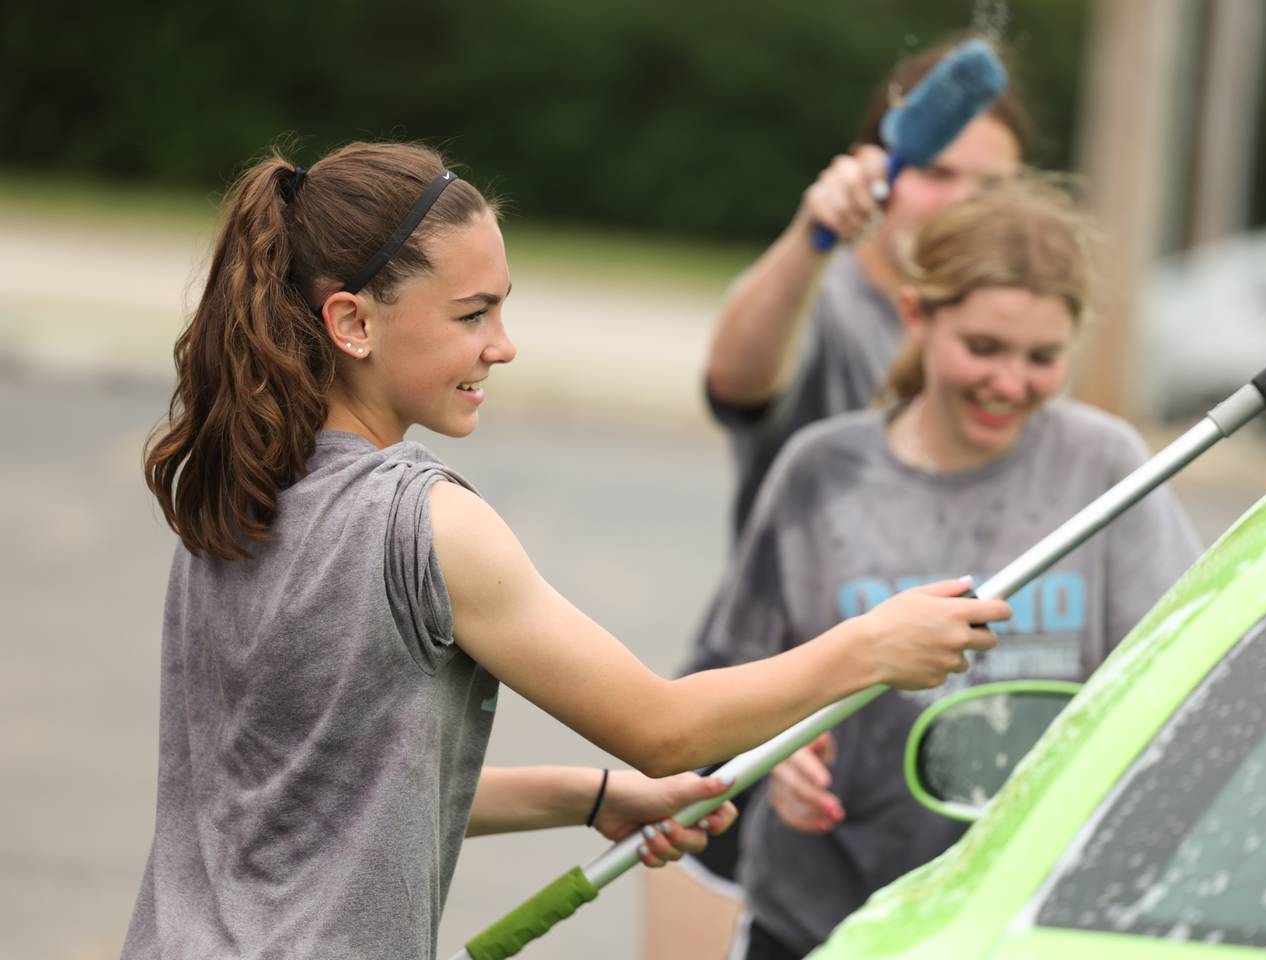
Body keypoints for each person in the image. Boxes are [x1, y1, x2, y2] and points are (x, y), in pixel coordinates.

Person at [122, 141, 1011, 960]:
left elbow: (326, 790)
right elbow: (665, 731)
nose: (502, 346)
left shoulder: (235, 487)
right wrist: (872, 648)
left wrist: (590, 799)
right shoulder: (425, 521)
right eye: (473, 314)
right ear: (351, 322)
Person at [690, 173, 1204, 959]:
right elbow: (728, 686)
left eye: (1042, 357)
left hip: (1025, 924)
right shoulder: (821, 470)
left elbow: (1182, 678)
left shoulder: (1104, 466)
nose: (1009, 382)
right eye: (983, 347)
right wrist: (778, 756)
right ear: (916, 317)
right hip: (821, 924)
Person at [703, 36, 1030, 539]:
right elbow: (734, 382)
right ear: (870, 166)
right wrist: (808, 238)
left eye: (992, 186)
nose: (962, 203)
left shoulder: (1024, 332)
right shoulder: (819, 296)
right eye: (936, 171)